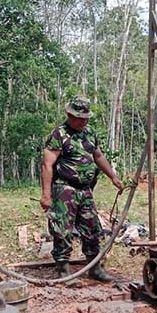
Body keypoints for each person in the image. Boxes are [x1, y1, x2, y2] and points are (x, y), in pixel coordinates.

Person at [40, 97, 124, 286]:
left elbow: (98, 156)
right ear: (69, 115)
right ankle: (63, 270)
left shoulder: (90, 133)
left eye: (85, 118)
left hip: (85, 190)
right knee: (62, 229)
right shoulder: (59, 135)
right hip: (64, 189)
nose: (83, 121)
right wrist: (46, 195)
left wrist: (113, 177)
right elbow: (47, 165)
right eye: (79, 118)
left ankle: (94, 268)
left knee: (92, 227)